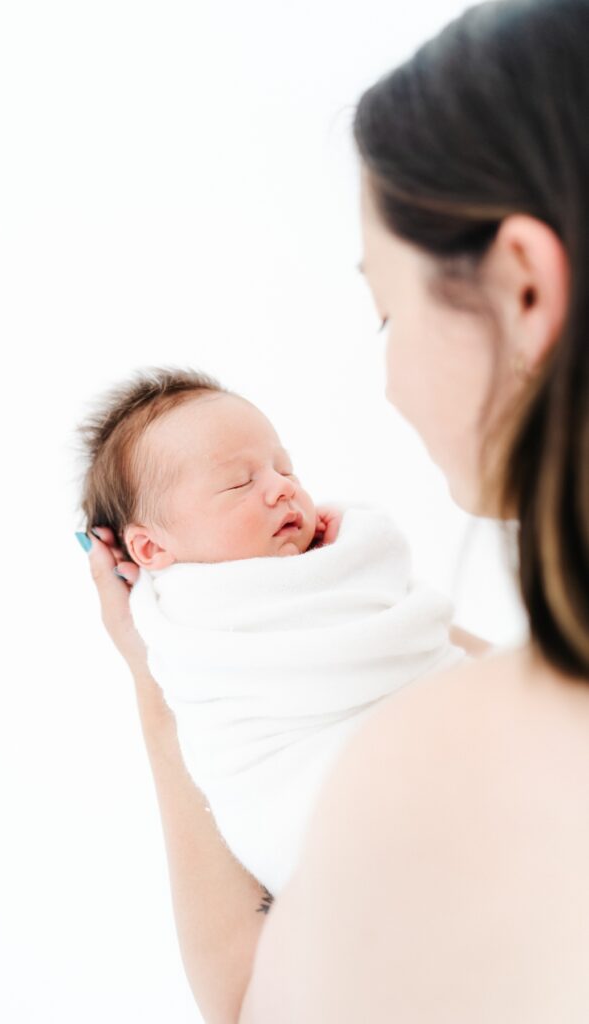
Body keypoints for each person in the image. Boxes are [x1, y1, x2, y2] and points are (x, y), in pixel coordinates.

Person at [77, 0, 589, 1018]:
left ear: (524, 289)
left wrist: (148, 676)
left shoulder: (437, 763)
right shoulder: (511, 715)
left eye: (386, 312)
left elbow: (247, 1000)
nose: (389, 376)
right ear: (152, 547)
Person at [75, 367, 475, 897]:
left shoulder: (342, 555)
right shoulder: (186, 630)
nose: (282, 489)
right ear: (150, 550)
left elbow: (407, 629)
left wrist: (348, 568)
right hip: (335, 818)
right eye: (240, 482)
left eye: (285, 469)